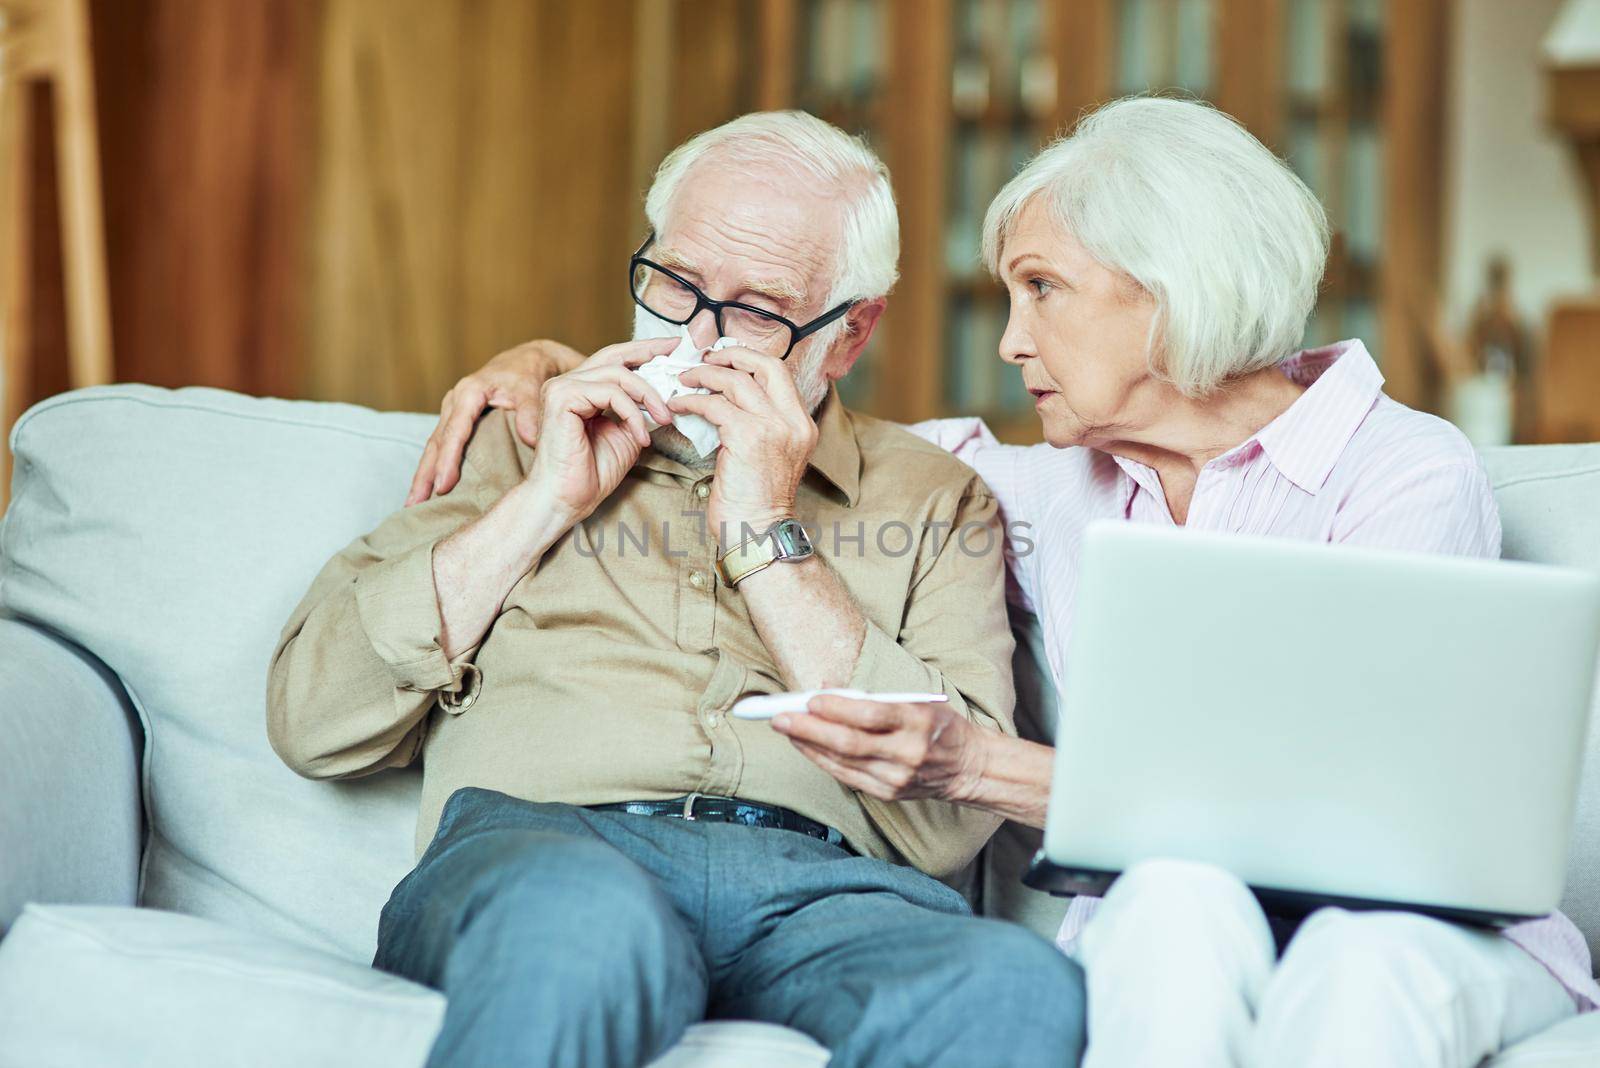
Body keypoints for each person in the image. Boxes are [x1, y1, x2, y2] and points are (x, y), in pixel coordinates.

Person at [413, 97, 1598, 1067]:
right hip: (1184, 907)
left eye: (1043, 289)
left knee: (1355, 970)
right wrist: (571, 362)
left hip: (1410, 928)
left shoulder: (1401, 472)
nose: (1010, 340)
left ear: (1169, 290)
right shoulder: (1046, 486)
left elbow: (1359, 818)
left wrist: (982, 767)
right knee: (1163, 914)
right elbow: (808, 424)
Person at [267, 110, 1085, 1068]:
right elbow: (312, 718)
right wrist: (545, 502)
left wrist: (762, 525)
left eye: (756, 310)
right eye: (676, 282)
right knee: (585, 926)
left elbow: (950, 819)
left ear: (849, 334)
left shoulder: (934, 497)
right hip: (547, 855)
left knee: (1015, 987)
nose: (694, 335)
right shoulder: (522, 433)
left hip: (830, 892)